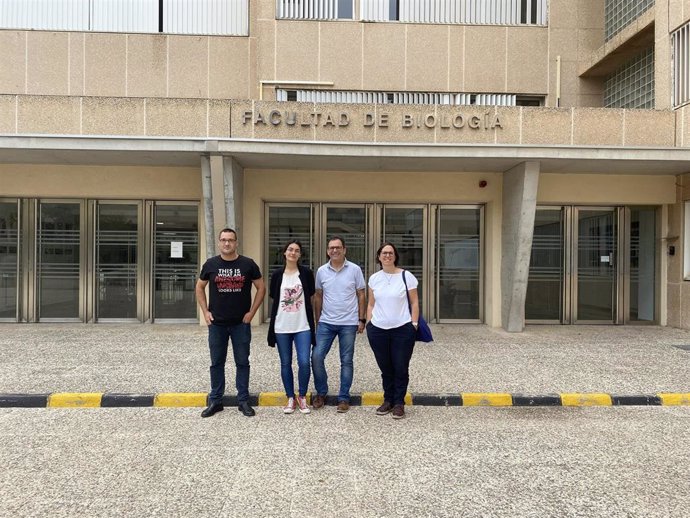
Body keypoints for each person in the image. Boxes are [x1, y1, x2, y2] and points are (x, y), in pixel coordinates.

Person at [195, 228, 266, 418]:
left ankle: (243, 400)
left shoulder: (248, 264)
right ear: (219, 243)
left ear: (236, 243)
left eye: (231, 240)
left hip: (240, 324)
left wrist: (252, 313)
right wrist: (205, 312)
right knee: (216, 362)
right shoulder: (211, 264)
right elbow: (200, 287)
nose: (227, 244)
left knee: (242, 362)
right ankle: (216, 401)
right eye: (224, 240)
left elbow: (261, 287)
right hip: (217, 324)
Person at [312, 236, 366, 413]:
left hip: (349, 323)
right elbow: (318, 295)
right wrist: (317, 320)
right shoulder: (321, 271)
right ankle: (321, 393)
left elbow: (361, 295)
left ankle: (344, 398)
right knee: (317, 357)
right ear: (327, 251)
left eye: (338, 247)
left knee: (346, 360)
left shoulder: (355, 270)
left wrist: (361, 319)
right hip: (326, 322)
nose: (334, 250)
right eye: (331, 248)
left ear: (344, 249)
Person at [365, 242, 419, 420]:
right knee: (385, 367)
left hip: (402, 329)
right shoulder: (374, 278)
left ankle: (399, 403)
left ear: (395, 256)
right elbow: (371, 303)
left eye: (390, 253)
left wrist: (414, 324)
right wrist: (369, 324)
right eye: (384, 253)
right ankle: (388, 400)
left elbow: (414, 302)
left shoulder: (406, 276)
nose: (387, 256)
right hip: (378, 329)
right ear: (379, 257)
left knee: (400, 366)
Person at [267, 240, 316, 414]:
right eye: (290, 249)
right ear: (284, 253)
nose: (293, 253)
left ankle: (302, 396)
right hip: (281, 326)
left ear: (300, 254)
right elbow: (274, 296)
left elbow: (310, 296)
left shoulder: (306, 273)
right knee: (285, 363)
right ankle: (290, 397)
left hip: (302, 325)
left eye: (296, 250)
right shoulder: (277, 274)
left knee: (304, 362)